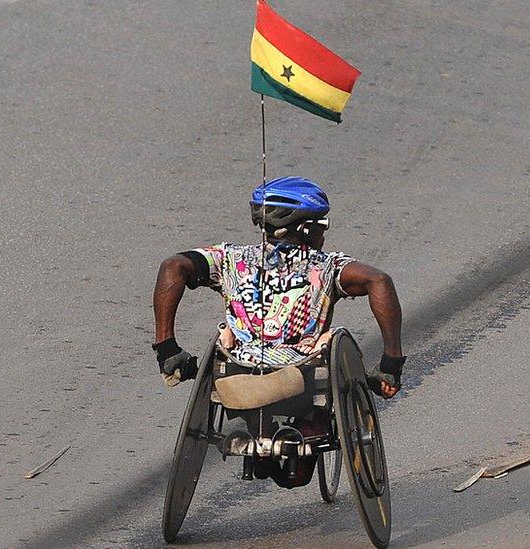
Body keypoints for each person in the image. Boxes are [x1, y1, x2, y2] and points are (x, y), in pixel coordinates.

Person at [151, 176, 405, 485]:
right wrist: (391, 363)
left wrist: (167, 349)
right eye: (321, 223)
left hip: (237, 376)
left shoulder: (230, 258)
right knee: (296, 475)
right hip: (305, 379)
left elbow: (172, 267)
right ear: (306, 228)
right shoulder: (328, 266)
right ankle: (300, 440)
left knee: (229, 347)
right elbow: (379, 281)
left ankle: (264, 441)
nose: (324, 231)